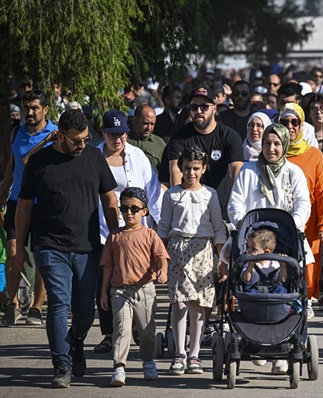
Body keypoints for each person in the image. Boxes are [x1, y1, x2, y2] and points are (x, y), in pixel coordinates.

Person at [14, 109, 119, 387]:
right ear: (59, 135)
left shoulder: (94, 157)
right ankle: (61, 364)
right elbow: (24, 205)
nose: (82, 145)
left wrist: (115, 237)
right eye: (76, 141)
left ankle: (75, 342)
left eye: (85, 139)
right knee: (59, 303)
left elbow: (109, 200)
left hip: (88, 246)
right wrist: (22, 246)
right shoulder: (39, 162)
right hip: (50, 245)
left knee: (85, 309)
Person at [227, 124, 311, 375]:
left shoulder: (293, 172)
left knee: (293, 287)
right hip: (252, 239)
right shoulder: (248, 170)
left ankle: (284, 350)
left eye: (276, 144)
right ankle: (251, 338)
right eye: (267, 143)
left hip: (285, 240)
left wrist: (292, 226)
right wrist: (245, 228)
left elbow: (303, 204)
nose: (271, 148)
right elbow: (235, 203)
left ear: (284, 145)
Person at [157, 146, 227, 375]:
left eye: (196, 168)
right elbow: (164, 228)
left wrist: (221, 258)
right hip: (177, 250)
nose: (191, 173)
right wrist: (159, 259)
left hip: (203, 251)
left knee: (198, 305)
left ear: (204, 168)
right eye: (187, 168)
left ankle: (195, 354)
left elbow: (218, 228)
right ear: (181, 168)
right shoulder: (172, 195)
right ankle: (179, 352)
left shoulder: (210, 194)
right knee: (179, 303)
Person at [99, 187, 169, 387]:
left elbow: (161, 257)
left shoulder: (150, 235)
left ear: (144, 211)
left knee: (147, 329)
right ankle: (119, 367)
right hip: (120, 291)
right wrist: (104, 291)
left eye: (134, 209)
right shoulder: (114, 237)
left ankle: (148, 361)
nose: (128, 213)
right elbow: (108, 266)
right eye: (124, 209)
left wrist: (162, 270)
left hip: (144, 289)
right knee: (121, 328)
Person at [0, 90, 56, 327]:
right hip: (16, 202)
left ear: (45, 110)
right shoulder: (17, 132)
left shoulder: (55, 134)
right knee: (13, 251)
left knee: (42, 255)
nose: (30, 112)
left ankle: (36, 307)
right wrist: (2, 197)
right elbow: (12, 168)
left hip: (43, 203)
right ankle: (12, 304)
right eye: (26, 108)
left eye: (34, 108)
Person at [281, 104, 323, 318]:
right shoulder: (274, 150)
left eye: (295, 122)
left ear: (302, 125)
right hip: (280, 218)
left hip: (309, 221)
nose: (290, 126)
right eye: (284, 122)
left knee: (309, 263)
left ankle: (307, 298)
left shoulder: (315, 156)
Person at [239, 227, 287, 294]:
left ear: (266, 252)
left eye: (253, 248)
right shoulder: (249, 263)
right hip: (255, 290)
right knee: (251, 292)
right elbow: (246, 279)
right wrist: (251, 265)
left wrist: (283, 266)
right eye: (248, 247)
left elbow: (282, 280)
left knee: (281, 290)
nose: (248, 251)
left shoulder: (275, 263)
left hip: (273, 290)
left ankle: (280, 302)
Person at [127, 104, 167, 172]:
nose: (149, 128)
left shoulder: (160, 144)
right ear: (135, 120)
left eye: (152, 124)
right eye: (145, 123)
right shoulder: (123, 140)